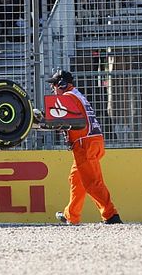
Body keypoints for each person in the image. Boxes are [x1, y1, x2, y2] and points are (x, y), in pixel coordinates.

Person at [46, 70, 121, 225]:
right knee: (76, 178)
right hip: (94, 140)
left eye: (54, 84)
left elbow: (57, 120)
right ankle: (71, 215)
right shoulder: (76, 94)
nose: (53, 88)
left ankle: (111, 215)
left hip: (84, 144)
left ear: (62, 84)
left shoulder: (67, 97)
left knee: (92, 183)